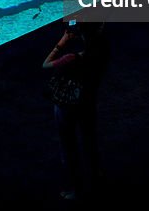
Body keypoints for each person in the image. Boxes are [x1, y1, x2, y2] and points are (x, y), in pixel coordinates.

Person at [43, 21, 108, 202]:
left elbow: (46, 65)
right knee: (89, 139)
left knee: (68, 146)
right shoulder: (101, 52)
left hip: (67, 105)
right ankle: (96, 174)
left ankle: (75, 188)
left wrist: (61, 43)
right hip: (88, 101)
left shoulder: (72, 59)